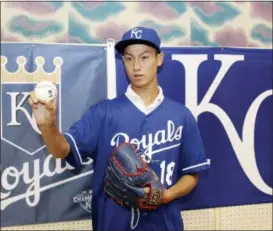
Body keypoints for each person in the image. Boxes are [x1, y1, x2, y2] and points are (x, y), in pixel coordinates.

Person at [28, 27, 210, 231]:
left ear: (159, 59)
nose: (136, 66)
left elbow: (192, 174)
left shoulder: (182, 115)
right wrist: (48, 125)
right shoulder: (103, 112)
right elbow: (62, 149)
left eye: (144, 57)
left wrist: (166, 195)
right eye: (129, 58)